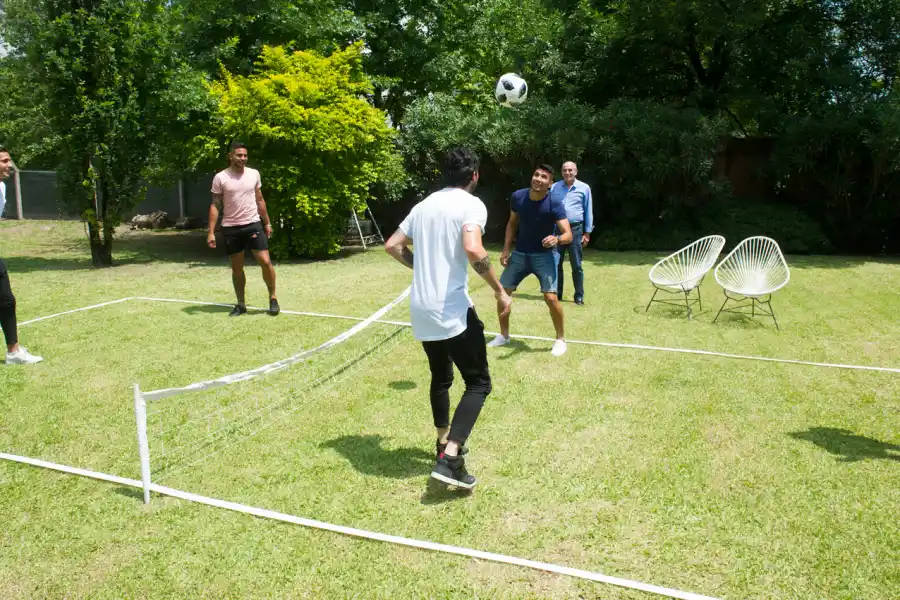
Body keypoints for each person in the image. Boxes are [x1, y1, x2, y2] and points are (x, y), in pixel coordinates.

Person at [385, 147, 511, 489]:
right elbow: (473, 248)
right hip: (451, 309)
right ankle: (450, 457)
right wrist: (499, 290)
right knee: (478, 382)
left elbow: (393, 245)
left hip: (422, 307)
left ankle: (443, 439)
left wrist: (420, 267)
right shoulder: (471, 204)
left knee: (441, 377)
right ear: (474, 176)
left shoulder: (423, 206)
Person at [488, 165, 573, 356]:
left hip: (545, 256)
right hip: (520, 254)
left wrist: (557, 239)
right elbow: (512, 223)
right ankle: (504, 335)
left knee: (551, 298)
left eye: (544, 177)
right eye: (536, 174)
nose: (538, 179)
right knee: (502, 293)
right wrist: (505, 249)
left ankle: (560, 339)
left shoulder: (555, 203)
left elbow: (568, 235)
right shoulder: (518, 197)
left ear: (550, 184)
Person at [207, 142, 280, 316]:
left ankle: (273, 298)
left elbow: (260, 199)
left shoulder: (254, 174)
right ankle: (241, 304)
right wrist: (211, 231)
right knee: (237, 268)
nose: (243, 159)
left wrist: (267, 223)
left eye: (245, 156)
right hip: (231, 227)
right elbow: (215, 205)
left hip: (252, 223)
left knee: (265, 261)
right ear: (230, 156)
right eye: (239, 155)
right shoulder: (220, 178)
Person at [0, 147, 42, 365]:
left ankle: (14, 352)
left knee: (6, 301)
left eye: (9, 160)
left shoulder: (1, 187)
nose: (9, 165)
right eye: (4, 161)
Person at [549, 161, 593, 305]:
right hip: (558, 229)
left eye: (570, 170)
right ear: (561, 172)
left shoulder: (584, 188)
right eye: (564, 170)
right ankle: (558, 294)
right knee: (556, 263)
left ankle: (579, 296)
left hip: (576, 229)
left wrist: (587, 232)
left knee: (576, 265)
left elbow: (588, 210)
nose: (567, 173)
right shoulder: (554, 187)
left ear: (576, 171)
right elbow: (549, 208)